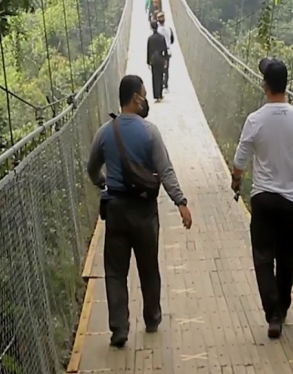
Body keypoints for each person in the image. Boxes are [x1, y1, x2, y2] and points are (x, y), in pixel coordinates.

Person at [87, 75, 192, 348]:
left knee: (115, 271)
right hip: (144, 210)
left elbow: (91, 169)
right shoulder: (149, 131)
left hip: (117, 210)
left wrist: (104, 183)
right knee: (148, 267)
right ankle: (152, 317)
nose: (145, 99)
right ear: (136, 97)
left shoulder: (105, 132)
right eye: (144, 94)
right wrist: (180, 202)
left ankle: (119, 329)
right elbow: (165, 170)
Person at [230, 58, 293, 339]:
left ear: (265, 84)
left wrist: (236, 182)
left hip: (263, 199)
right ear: (286, 85)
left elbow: (239, 162)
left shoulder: (255, 120)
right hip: (290, 201)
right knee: (286, 257)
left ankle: (273, 314)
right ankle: (281, 307)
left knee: (262, 257)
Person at [147, 21, 168, 102]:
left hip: (154, 59)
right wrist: (165, 59)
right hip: (161, 58)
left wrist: (148, 62)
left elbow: (148, 51)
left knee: (155, 77)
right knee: (161, 75)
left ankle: (156, 95)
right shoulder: (162, 37)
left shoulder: (150, 39)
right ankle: (160, 94)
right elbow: (165, 49)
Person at [156, 12, 174, 91]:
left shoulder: (157, 31)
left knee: (159, 69)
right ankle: (166, 85)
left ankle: (160, 85)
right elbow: (172, 40)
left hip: (159, 52)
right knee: (166, 69)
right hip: (167, 51)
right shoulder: (169, 29)